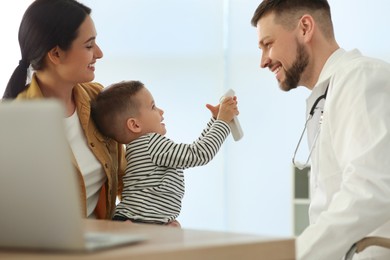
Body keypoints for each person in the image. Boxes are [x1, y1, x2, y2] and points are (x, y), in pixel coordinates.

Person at [251, 1, 390, 260]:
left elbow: (369, 189)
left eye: (267, 44)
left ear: (305, 28)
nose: (263, 61)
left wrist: (297, 255)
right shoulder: (325, 96)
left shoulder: (361, 78)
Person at [3, 0, 125, 219]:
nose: (99, 53)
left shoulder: (99, 99)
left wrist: (156, 219)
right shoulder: (14, 123)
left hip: (102, 246)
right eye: (89, 45)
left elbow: (126, 178)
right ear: (56, 54)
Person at [91, 80, 238, 226]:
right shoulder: (151, 143)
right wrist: (223, 121)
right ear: (135, 125)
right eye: (153, 107)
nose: (161, 111)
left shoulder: (139, 147)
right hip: (139, 223)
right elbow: (199, 153)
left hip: (139, 221)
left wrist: (215, 121)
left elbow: (194, 151)